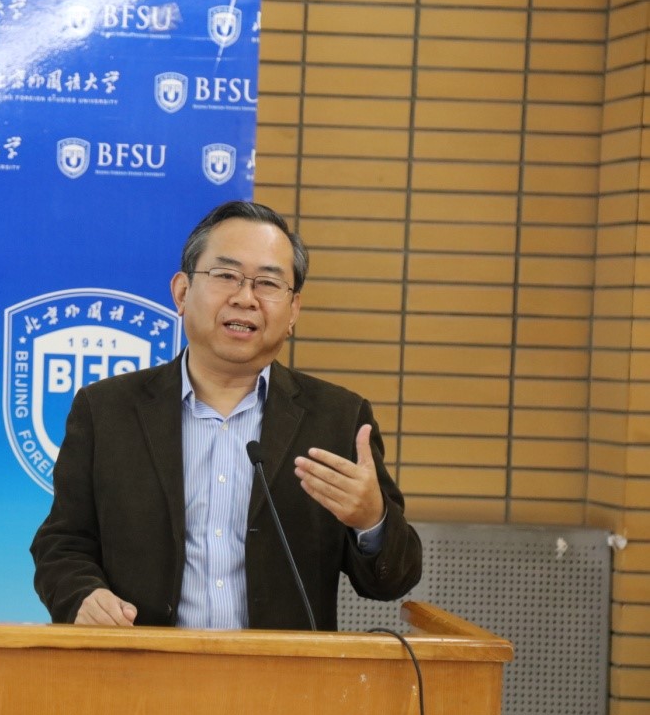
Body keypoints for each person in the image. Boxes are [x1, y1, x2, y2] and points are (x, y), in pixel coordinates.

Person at [30, 200, 422, 630]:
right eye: (226, 276)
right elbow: (61, 543)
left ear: (293, 310)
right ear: (182, 292)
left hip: (282, 670)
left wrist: (372, 521)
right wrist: (83, 596)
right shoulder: (106, 410)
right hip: (140, 662)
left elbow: (393, 580)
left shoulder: (338, 419)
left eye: (268, 283)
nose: (245, 298)